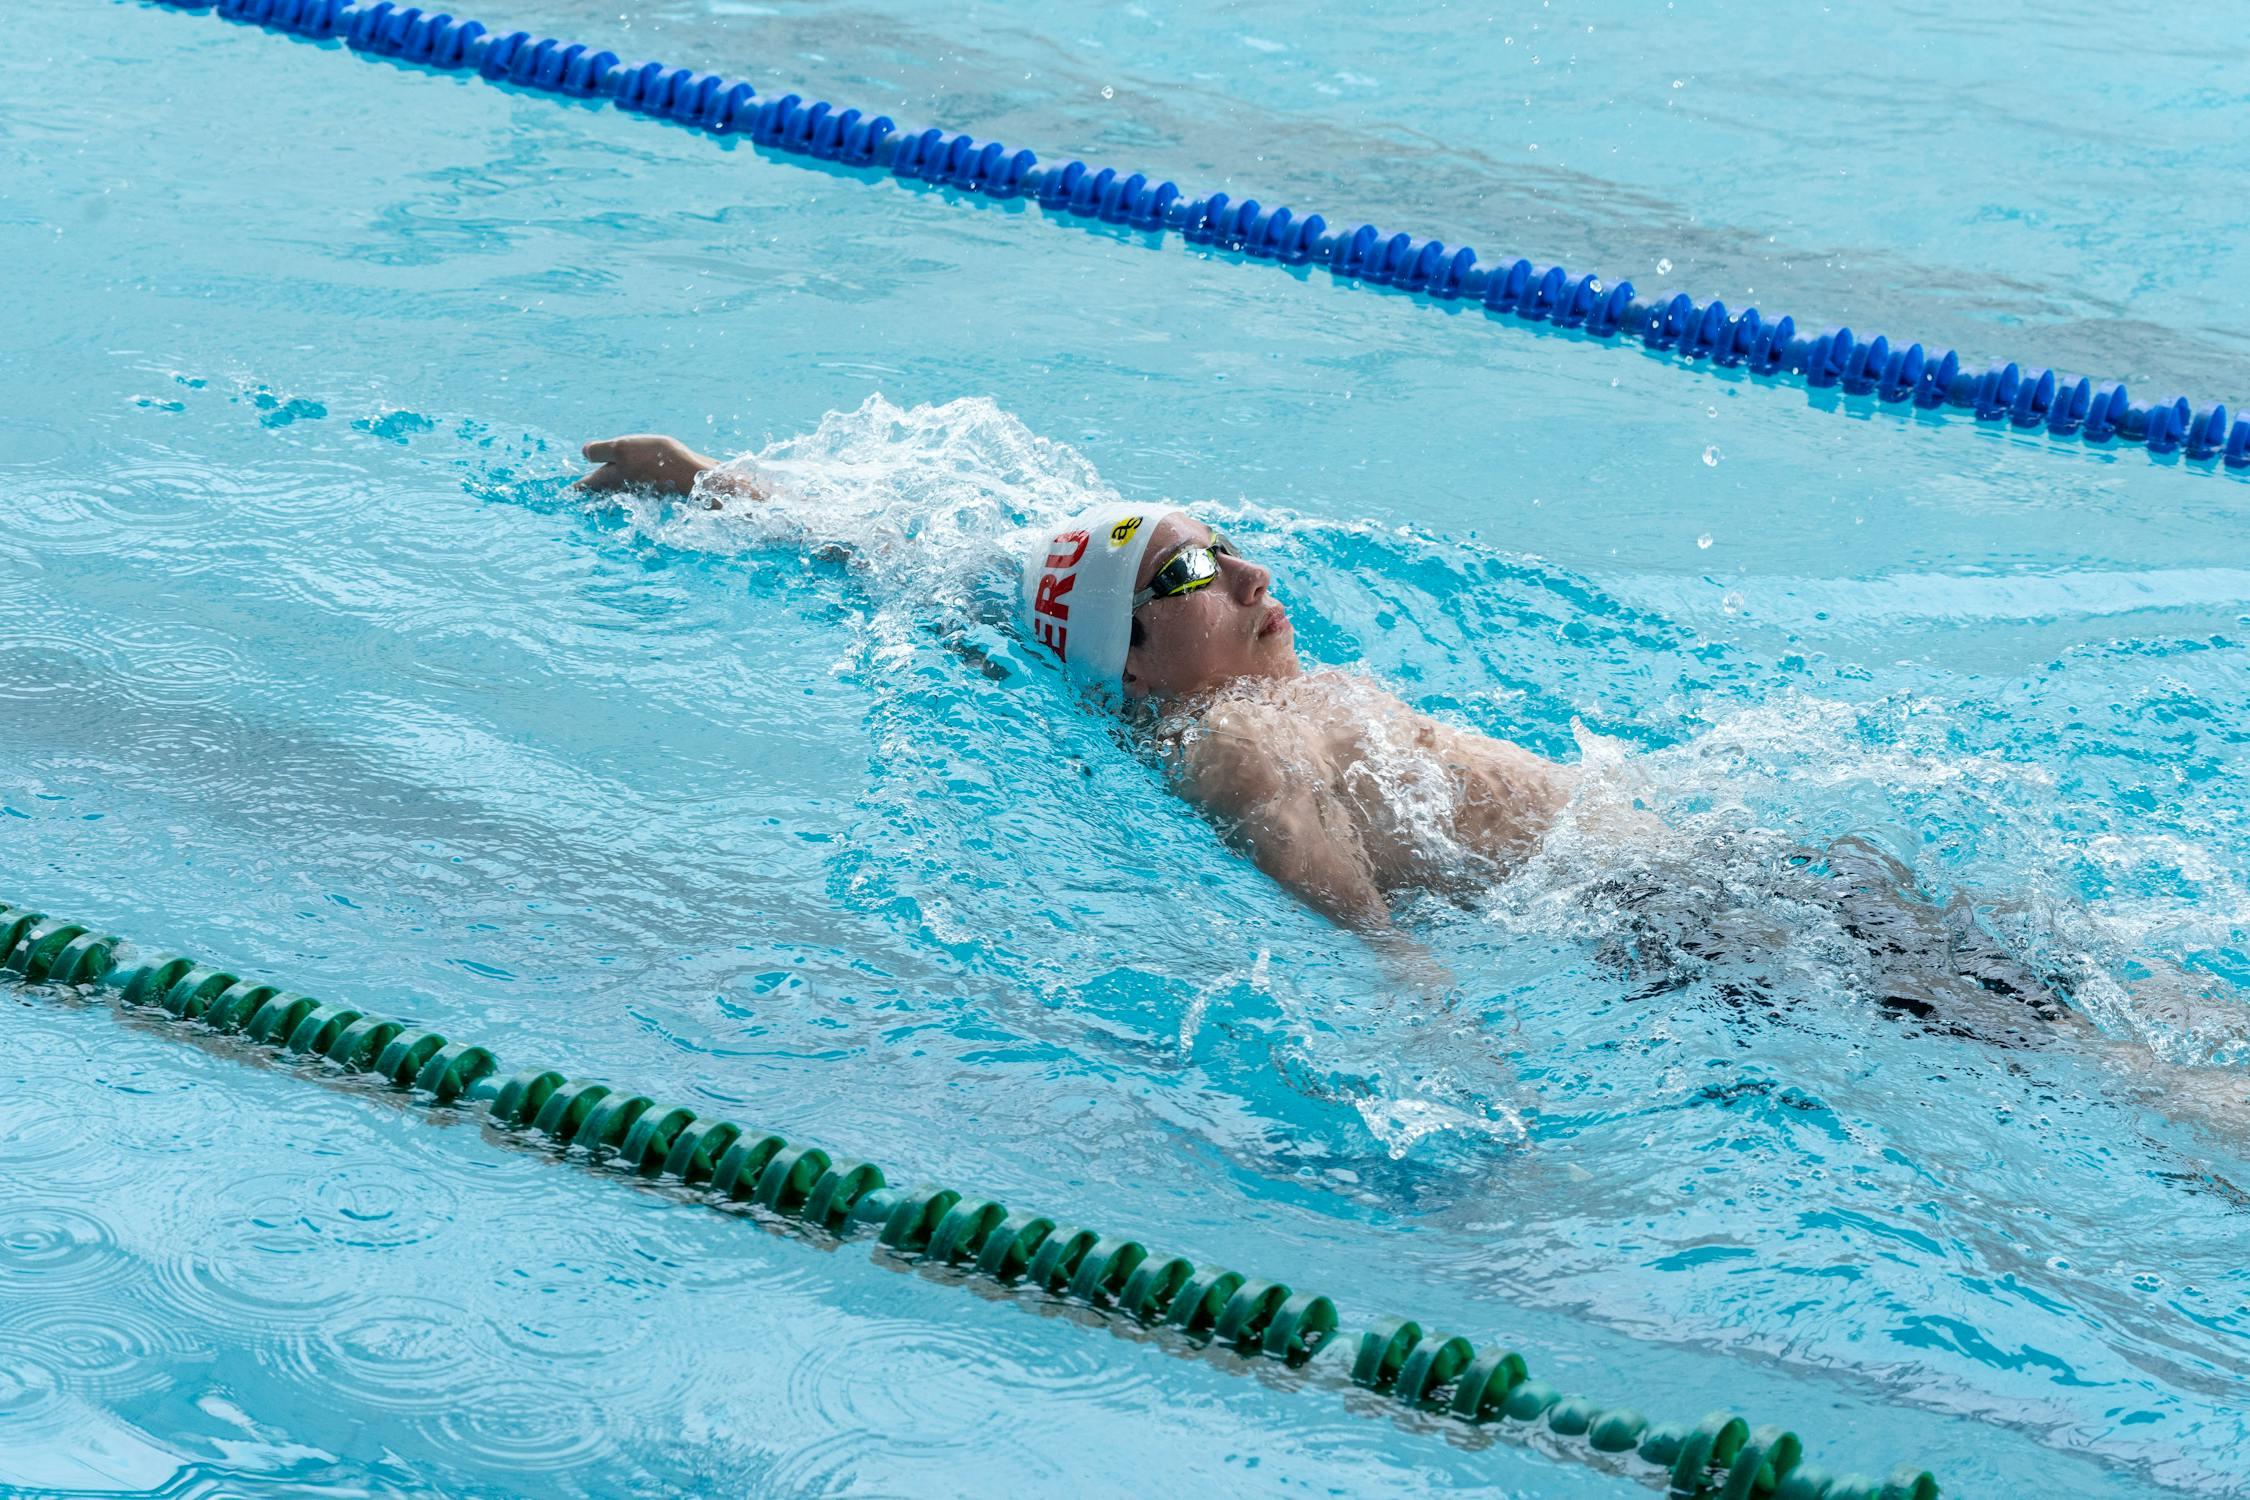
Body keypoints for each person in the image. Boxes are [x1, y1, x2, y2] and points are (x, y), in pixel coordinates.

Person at [576, 431, 2101, 1045]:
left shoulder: (1208, 690)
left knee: (2084, 1001)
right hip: (1685, 923)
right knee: (2072, 1040)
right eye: (1189, 573)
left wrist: (713, 483)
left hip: (1713, 873)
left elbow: (927, 569)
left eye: (1224, 544)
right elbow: (1366, 932)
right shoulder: (1235, 743)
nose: (1248, 576)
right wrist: (1440, 1043)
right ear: (1131, 657)